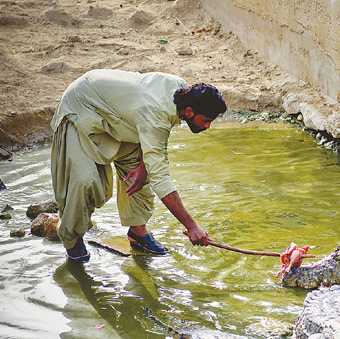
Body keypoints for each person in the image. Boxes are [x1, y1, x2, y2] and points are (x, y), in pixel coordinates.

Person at [50, 69, 227, 262]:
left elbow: (149, 130)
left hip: (123, 119)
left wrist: (144, 165)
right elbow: (162, 180)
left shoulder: (183, 92)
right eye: (206, 121)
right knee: (84, 181)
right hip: (83, 106)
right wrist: (192, 226)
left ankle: (137, 233)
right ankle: (73, 240)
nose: (208, 126)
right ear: (190, 112)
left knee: (142, 173)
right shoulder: (156, 112)